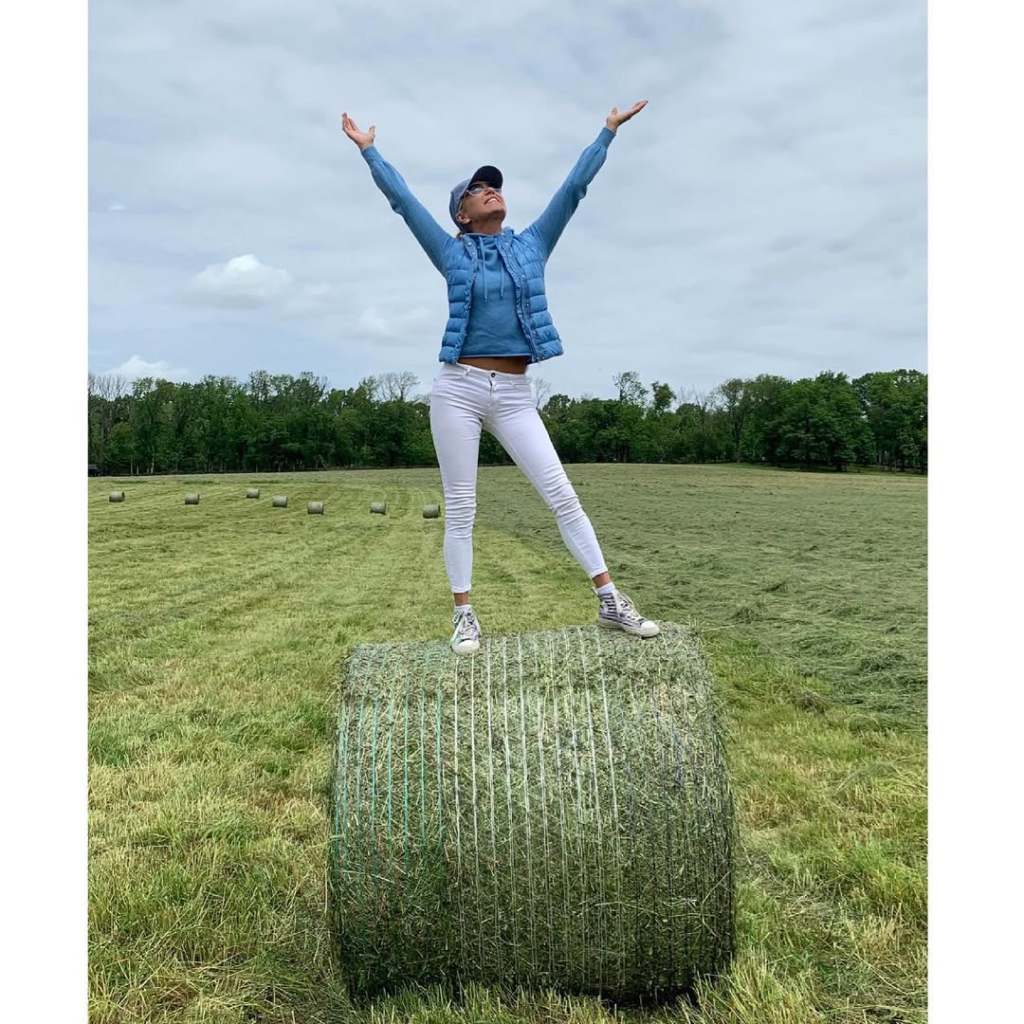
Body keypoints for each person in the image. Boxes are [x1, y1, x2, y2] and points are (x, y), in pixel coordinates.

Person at [341, 102, 660, 654]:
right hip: (459, 389)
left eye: (494, 186)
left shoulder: (532, 244)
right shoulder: (450, 252)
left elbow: (574, 189)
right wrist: (369, 150)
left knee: (562, 494)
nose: (491, 190)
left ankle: (610, 601)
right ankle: (464, 615)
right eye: (476, 189)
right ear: (461, 214)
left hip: (515, 394)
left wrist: (606, 133)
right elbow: (402, 202)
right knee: (462, 506)